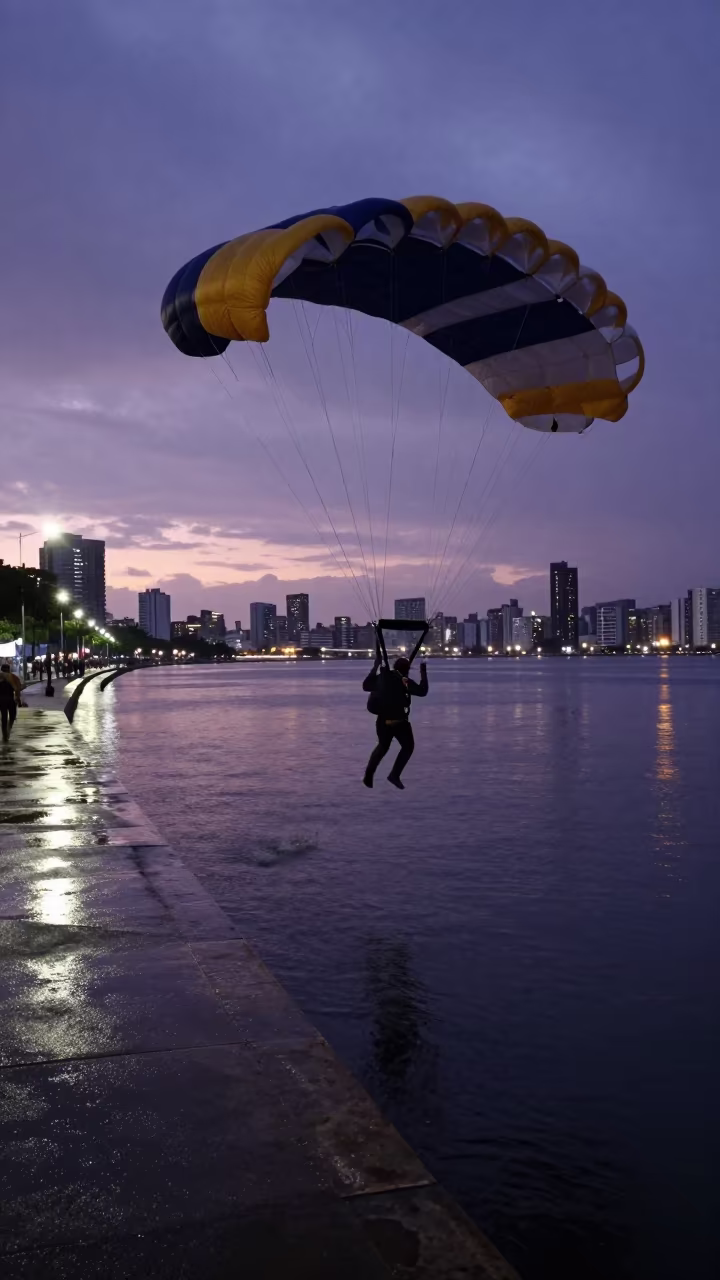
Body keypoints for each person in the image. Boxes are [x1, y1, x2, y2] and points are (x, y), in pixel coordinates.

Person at [362, 651, 428, 789]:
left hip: (383, 721)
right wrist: (423, 671)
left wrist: (375, 667)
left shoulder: (383, 678)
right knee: (408, 747)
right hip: (399, 722)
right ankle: (394, 774)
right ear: (407, 670)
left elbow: (366, 686)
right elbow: (422, 691)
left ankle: (369, 773)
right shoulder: (404, 681)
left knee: (383, 746)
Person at [0, 663, 22, 742]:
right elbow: (18, 690)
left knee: (4, 717)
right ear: (9, 669)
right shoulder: (13, 677)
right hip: (10, 700)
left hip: (1, 700)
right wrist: (18, 701)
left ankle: (5, 734)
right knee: (12, 716)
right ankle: (7, 731)